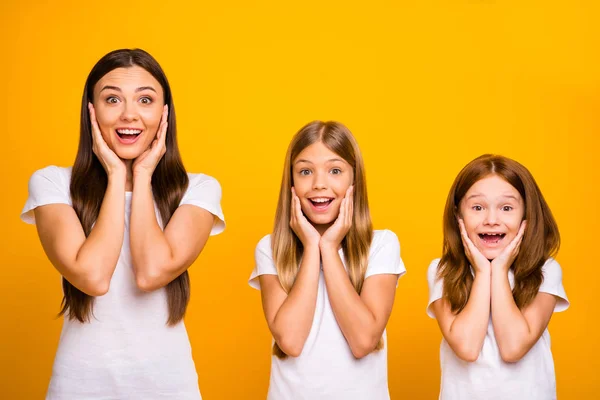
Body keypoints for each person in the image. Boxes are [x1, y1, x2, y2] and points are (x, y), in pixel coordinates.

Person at [21, 48, 225, 399]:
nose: (129, 114)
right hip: (79, 385)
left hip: (168, 385)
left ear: (164, 114)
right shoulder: (52, 183)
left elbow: (150, 273)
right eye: (112, 99)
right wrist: (117, 175)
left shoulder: (198, 190)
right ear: (91, 112)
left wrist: (142, 174)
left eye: (145, 100)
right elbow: (93, 277)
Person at [249, 121, 405, 399]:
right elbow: (291, 341)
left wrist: (330, 248)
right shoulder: (270, 248)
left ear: (354, 180)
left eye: (335, 171)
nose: (319, 184)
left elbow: (363, 341)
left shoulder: (381, 244)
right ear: (291, 182)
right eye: (305, 171)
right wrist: (312, 247)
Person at [427, 154, 569, 400]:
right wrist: (483, 271)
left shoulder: (545, 271)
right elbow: (467, 348)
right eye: (478, 208)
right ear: (458, 215)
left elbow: (513, 347)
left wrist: (500, 270)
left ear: (527, 215)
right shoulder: (442, 270)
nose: (491, 220)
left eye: (506, 208)